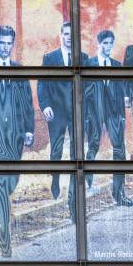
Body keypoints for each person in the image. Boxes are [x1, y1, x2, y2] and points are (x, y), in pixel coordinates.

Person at [0, 25, 35, 257]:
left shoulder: (19, 70)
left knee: (11, 181)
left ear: (12, 44)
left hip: (16, 135)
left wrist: (29, 129)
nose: (4, 47)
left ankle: (4, 217)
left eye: (8, 43)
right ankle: (5, 237)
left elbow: (26, 101)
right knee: (1, 184)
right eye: (1, 43)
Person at [37, 22, 87, 215]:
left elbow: (87, 87)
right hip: (56, 111)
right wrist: (46, 106)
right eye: (65, 34)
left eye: (71, 34)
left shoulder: (82, 57)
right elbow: (42, 84)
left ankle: (73, 195)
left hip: (75, 112)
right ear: (60, 35)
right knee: (56, 149)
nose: (68, 37)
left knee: (76, 153)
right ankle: (55, 179)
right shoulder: (50, 58)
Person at [84, 30, 133, 207]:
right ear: (98, 44)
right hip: (94, 114)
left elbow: (122, 92)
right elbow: (83, 93)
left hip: (114, 114)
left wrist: (121, 116)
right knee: (92, 148)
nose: (108, 46)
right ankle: (87, 186)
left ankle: (119, 194)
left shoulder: (117, 65)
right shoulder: (88, 64)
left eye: (110, 43)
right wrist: (86, 117)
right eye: (105, 43)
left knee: (119, 151)